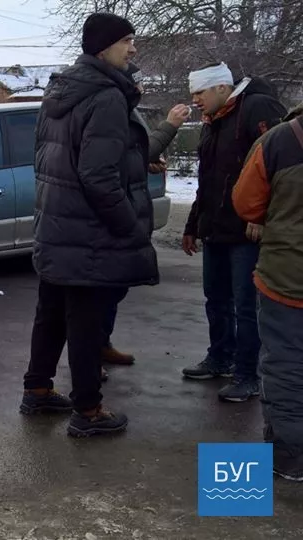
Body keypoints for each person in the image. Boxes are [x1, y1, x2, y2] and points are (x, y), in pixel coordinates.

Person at [20, 13, 158, 438]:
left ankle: (39, 390)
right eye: (127, 41)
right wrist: (130, 227)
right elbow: (99, 177)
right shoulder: (106, 97)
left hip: (57, 224)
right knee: (85, 321)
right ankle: (88, 411)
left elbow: (48, 159)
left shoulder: (61, 91)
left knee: (51, 314)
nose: (133, 49)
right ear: (103, 47)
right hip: (89, 232)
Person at [179, 62, 287, 403]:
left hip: (247, 232)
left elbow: (280, 165)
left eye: (200, 92)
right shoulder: (214, 122)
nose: (194, 99)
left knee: (246, 305)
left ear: (222, 89)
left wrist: (262, 215)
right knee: (217, 299)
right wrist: (193, 225)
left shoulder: (257, 108)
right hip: (216, 228)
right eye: (193, 93)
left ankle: (247, 374)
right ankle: (220, 357)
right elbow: (209, 179)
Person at [101, 63, 191, 370]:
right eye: (138, 83)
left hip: (126, 211)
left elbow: (130, 155)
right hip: (112, 217)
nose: (142, 88)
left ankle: (101, 345)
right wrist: (170, 125)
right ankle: (88, 357)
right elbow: (116, 159)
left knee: (115, 286)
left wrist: (140, 164)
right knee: (99, 292)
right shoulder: (111, 108)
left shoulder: (126, 108)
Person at [232, 103, 303, 481]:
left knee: (287, 367)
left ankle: (289, 459)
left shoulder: (280, 140)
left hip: (288, 278)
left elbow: (246, 204)